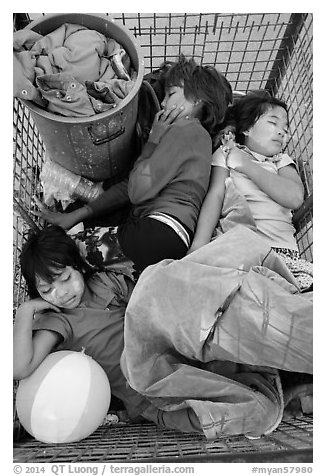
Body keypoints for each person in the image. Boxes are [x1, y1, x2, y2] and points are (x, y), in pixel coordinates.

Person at [35, 55, 232, 273]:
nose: (164, 103)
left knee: (61, 254)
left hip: (157, 232)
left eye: (171, 93)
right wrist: (76, 216)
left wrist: (153, 140)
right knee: (78, 253)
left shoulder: (184, 130)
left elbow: (137, 191)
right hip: (167, 236)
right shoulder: (198, 139)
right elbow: (131, 187)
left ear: (197, 98)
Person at [13, 225, 204, 434]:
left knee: (227, 373)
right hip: (149, 398)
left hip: (179, 359)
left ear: (78, 266)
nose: (61, 294)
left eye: (65, 278)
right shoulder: (60, 322)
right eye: (46, 290)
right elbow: (20, 368)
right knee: (208, 419)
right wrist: (25, 310)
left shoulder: (105, 282)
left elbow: (151, 308)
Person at [188, 91, 312, 291]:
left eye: (286, 128)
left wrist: (246, 165)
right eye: (273, 123)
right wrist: (199, 245)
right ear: (246, 128)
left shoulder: (281, 161)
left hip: (280, 252)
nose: (282, 132)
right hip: (236, 244)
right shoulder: (226, 153)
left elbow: (294, 198)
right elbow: (215, 196)